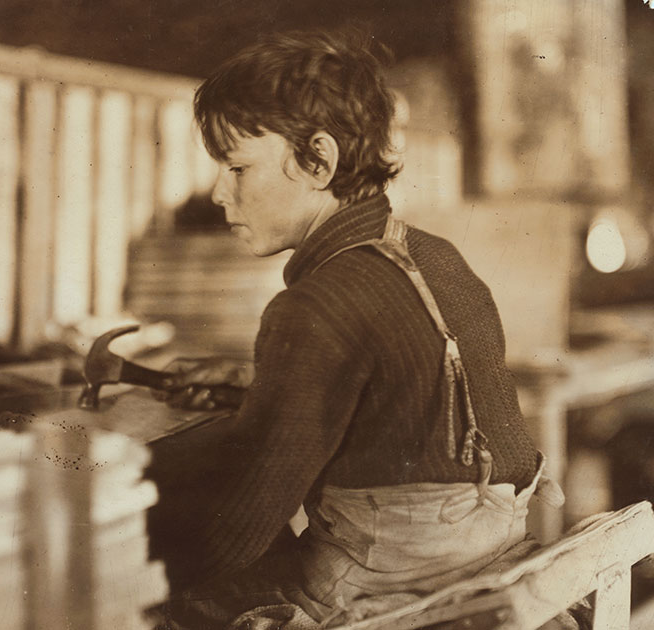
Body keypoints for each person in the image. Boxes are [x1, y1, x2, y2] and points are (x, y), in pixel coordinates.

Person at [147, 27, 570, 630]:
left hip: (388, 592)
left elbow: (243, 527)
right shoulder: (435, 255)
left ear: (319, 159)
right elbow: (406, 399)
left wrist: (127, 564)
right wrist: (256, 382)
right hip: (489, 559)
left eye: (237, 168)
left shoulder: (315, 306)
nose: (219, 193)